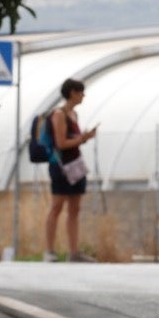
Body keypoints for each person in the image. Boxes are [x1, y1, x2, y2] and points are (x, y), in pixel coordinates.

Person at [43, 78, 99, 263]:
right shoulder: (59, 114)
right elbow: (61, 143)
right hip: (61, 165)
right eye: (80, 92)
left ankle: (74, 251)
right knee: (57, 206)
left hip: (75, 165)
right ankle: (49, 250)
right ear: (72, 93)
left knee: (75, 208)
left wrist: (83, 138)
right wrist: (83, 139)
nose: (83, 95)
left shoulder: (74, 114)